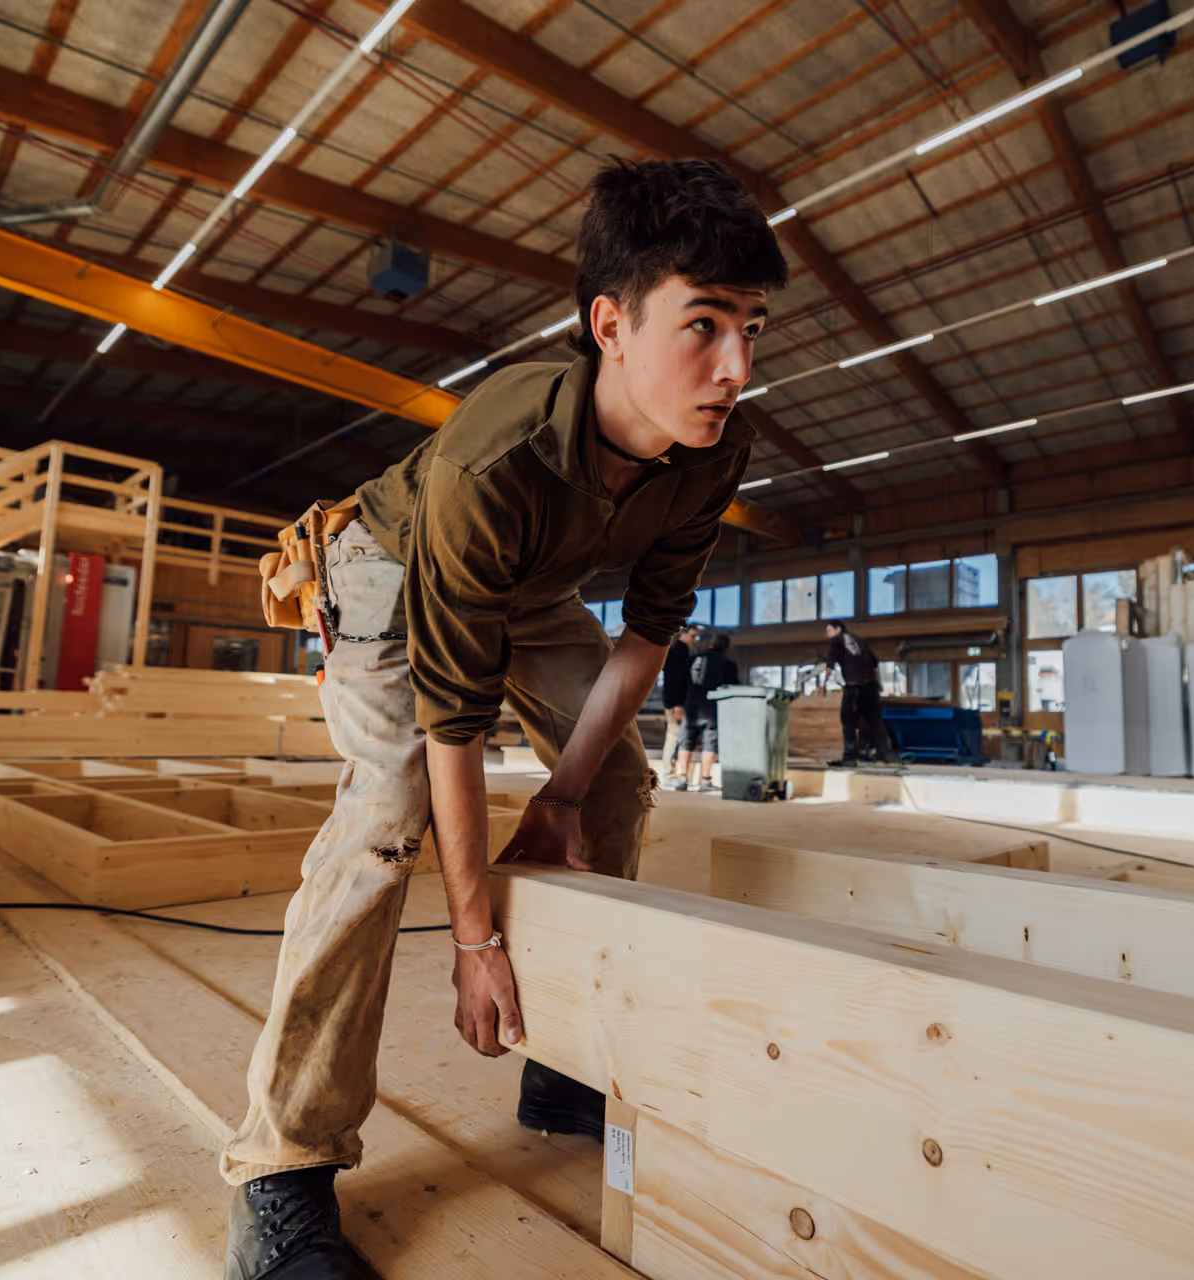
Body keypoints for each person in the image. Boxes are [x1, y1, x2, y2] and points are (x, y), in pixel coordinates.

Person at [224, 158, 787, 1280]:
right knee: (387, 818)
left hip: (531, 586)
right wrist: (475, 935)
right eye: (705, 324)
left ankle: (562, 1059)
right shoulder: (496, 452)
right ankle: (279, 1165)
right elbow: (455, 720)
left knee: (623, 779)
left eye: (754, 327)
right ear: (610, 324)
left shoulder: (719, 447)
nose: (736, 366)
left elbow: (647, 634)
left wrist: (567, 797)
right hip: (388, 570)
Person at [825, 621, 898, 765]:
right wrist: (879, 684)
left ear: (838, 629)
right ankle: (887, 753)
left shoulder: (836, 640)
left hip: (854, 685)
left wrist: (823, 685)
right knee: (874, 719)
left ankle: (850, 756)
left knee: (848, 719)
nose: (827, 635)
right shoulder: (860, 640)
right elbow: (875, 663)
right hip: (870, 685)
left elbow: (830, 664)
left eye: (829, 631)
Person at [673, 631, 737, 792]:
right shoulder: (728, 664)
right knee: (710, 743)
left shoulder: (693, 659)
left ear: (710, 644)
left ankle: (682, 779)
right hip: (713, 709)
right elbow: (732, 688)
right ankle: (705, 781)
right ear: (726, 648)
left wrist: (678, 704)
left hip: (691, 706)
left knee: (685, 741)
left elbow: (681, 682)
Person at [659, 623, 701, 786]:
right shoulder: (677, 652)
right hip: (675, 703)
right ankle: (668, 775)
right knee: (674, 735)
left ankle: (673, 773)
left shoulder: (683, 652)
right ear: (683, 635)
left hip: (679, 702)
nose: (695, 640)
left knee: (678, 736)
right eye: (693, 636)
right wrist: (676, 704)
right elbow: (672, 680)